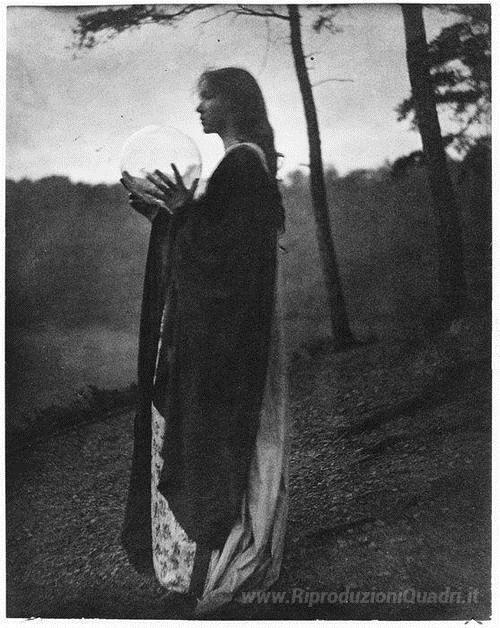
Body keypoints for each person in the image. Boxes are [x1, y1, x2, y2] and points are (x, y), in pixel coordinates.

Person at [120, 67, 289, 616]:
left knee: (219, 438)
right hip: (229, 331)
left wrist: (179, 214)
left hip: (231, 338)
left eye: (208, 97)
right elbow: (211, 239)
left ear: (235, 103)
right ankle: (203, 559)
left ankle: (221, 561)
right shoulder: (240, 164)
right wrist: (166, 214)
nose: (198, 108)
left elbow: (224, 261)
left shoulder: (242, 166)